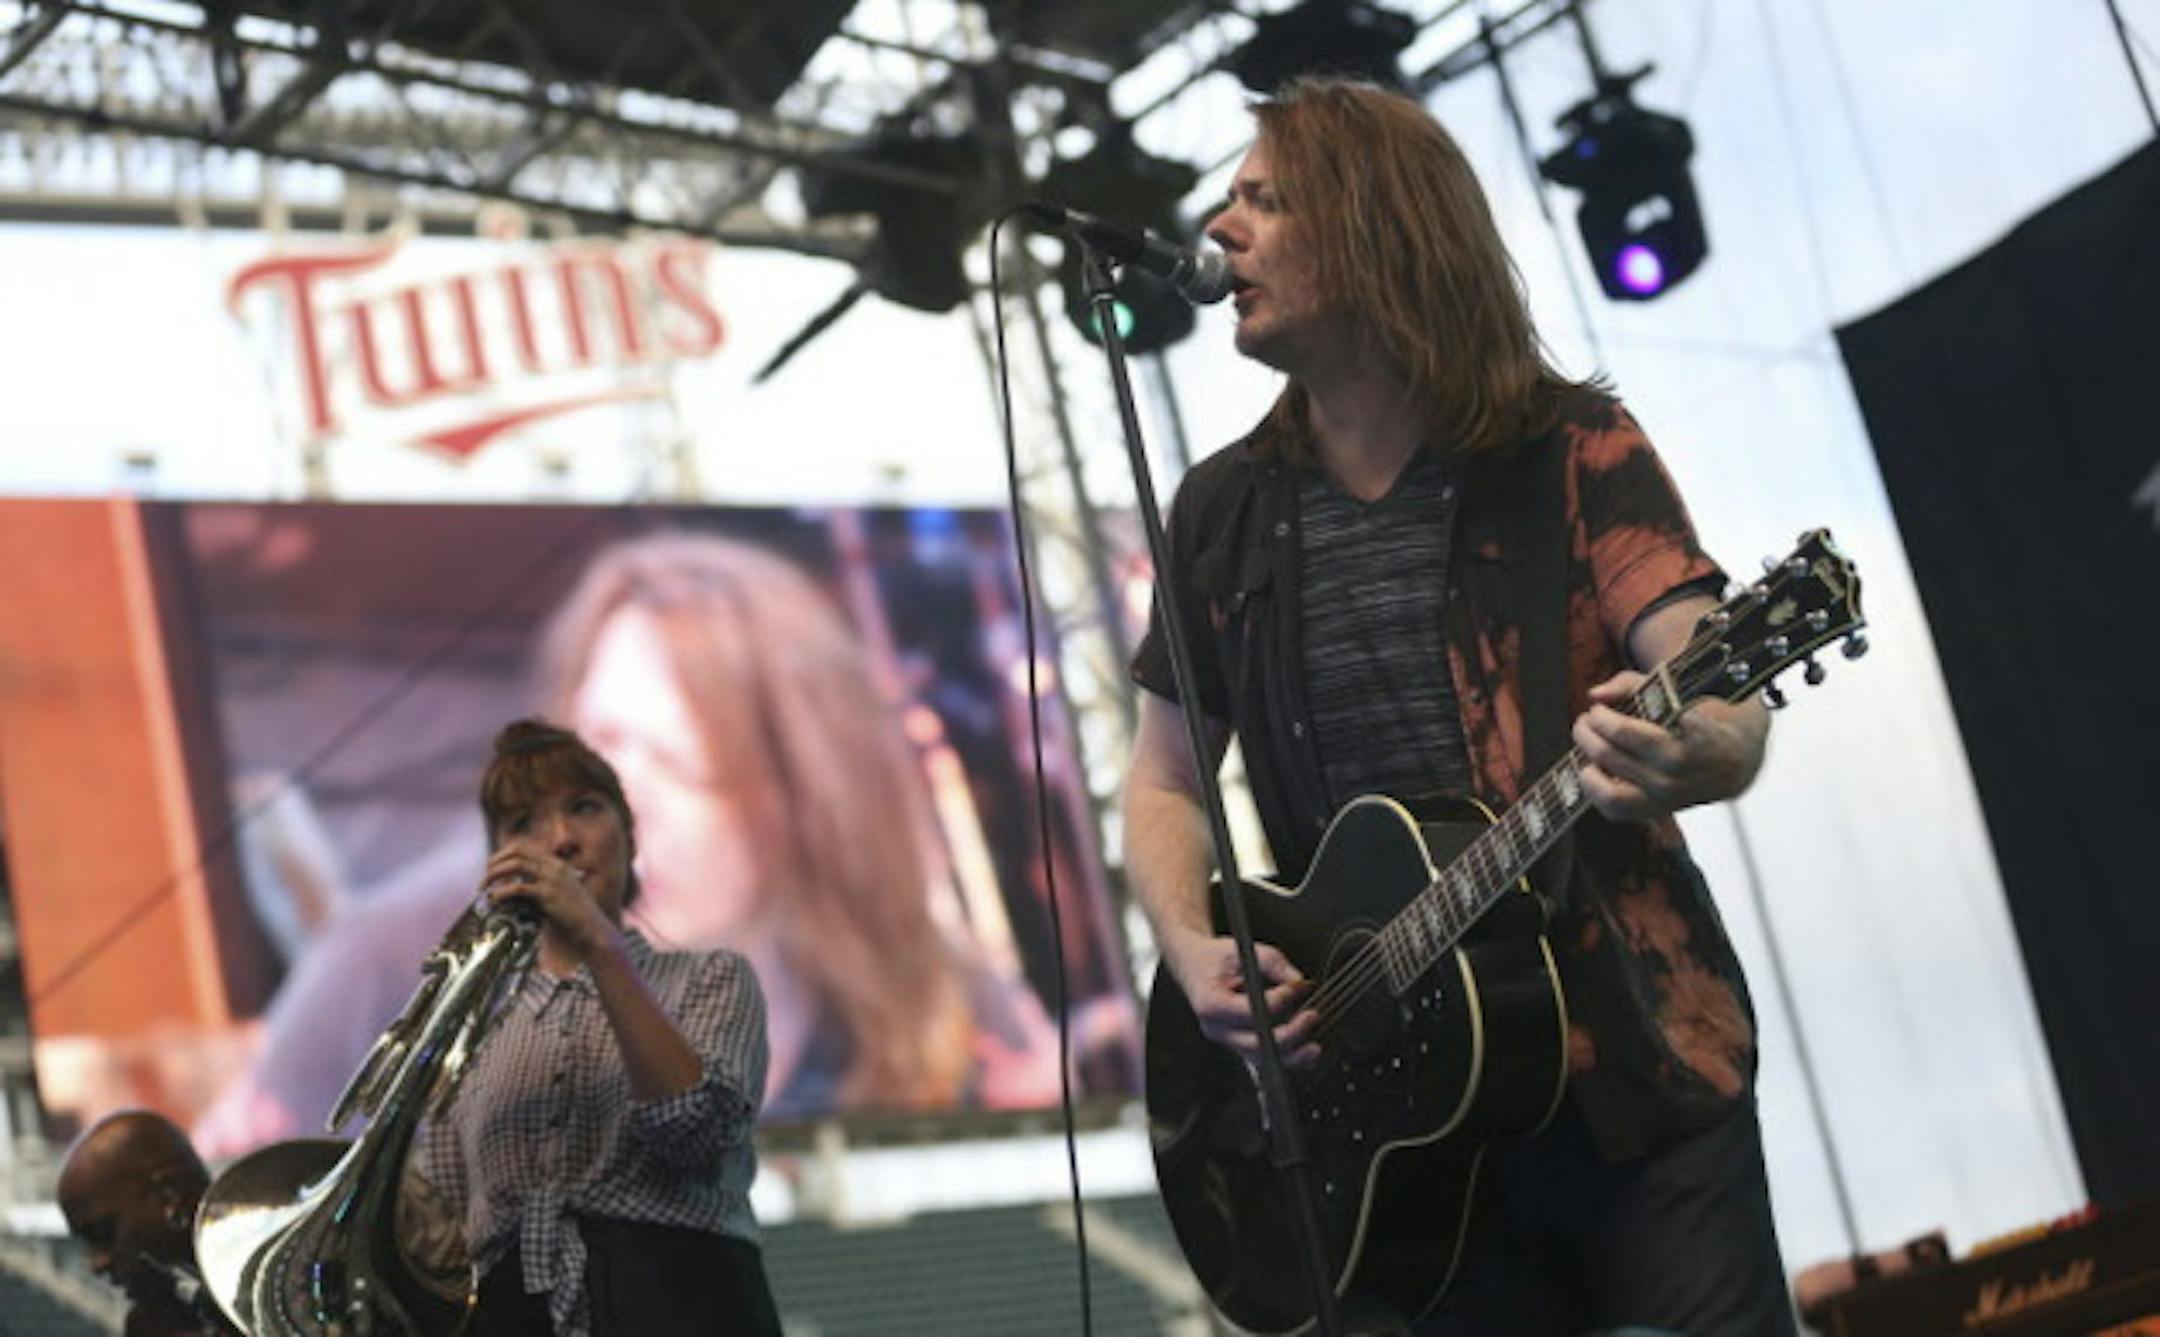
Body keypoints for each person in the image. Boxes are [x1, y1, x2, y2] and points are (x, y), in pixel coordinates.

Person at [1121, 79, 1791, 1335]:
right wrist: (1190, 945)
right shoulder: (1222, 513)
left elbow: (1718, 678)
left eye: (1264, 200)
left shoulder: (1572, 446)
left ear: (1373, 231)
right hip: (1394, 1135)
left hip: (1638, 1069)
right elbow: (1163, 779)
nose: (1219, 227)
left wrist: (1695, 745)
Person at [195, 529, 1061, 1155]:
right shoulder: (387, 960)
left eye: (680, 764)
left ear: (796, 799)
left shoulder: (928, 987)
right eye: (600, 745)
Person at [412, 717, 780, 1336]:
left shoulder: (711, 978)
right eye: (523, 823)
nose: (560, 841)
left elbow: (694, 1131)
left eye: (584, 808)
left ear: (629, 840)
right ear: (498, 863)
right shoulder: (473, 1037)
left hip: (685, 1304)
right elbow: (445, 1238)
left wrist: (599, 943)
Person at [56, 1109, 236, 1336]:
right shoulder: (149, 1327)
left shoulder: (276, 1282)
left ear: (171, 1197)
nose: (97, 1264)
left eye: (103, 1233)